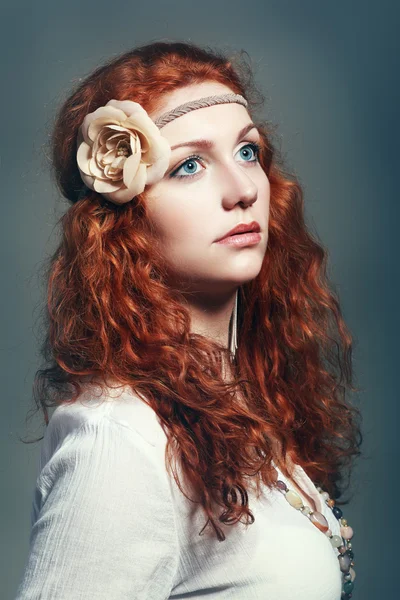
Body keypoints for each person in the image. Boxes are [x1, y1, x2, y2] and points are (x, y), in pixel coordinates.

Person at [15, 40, 362, 600]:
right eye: (189, 166)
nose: (244, 190)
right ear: (123, 223)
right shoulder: (119, 440)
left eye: (248, 153)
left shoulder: (242, 397)